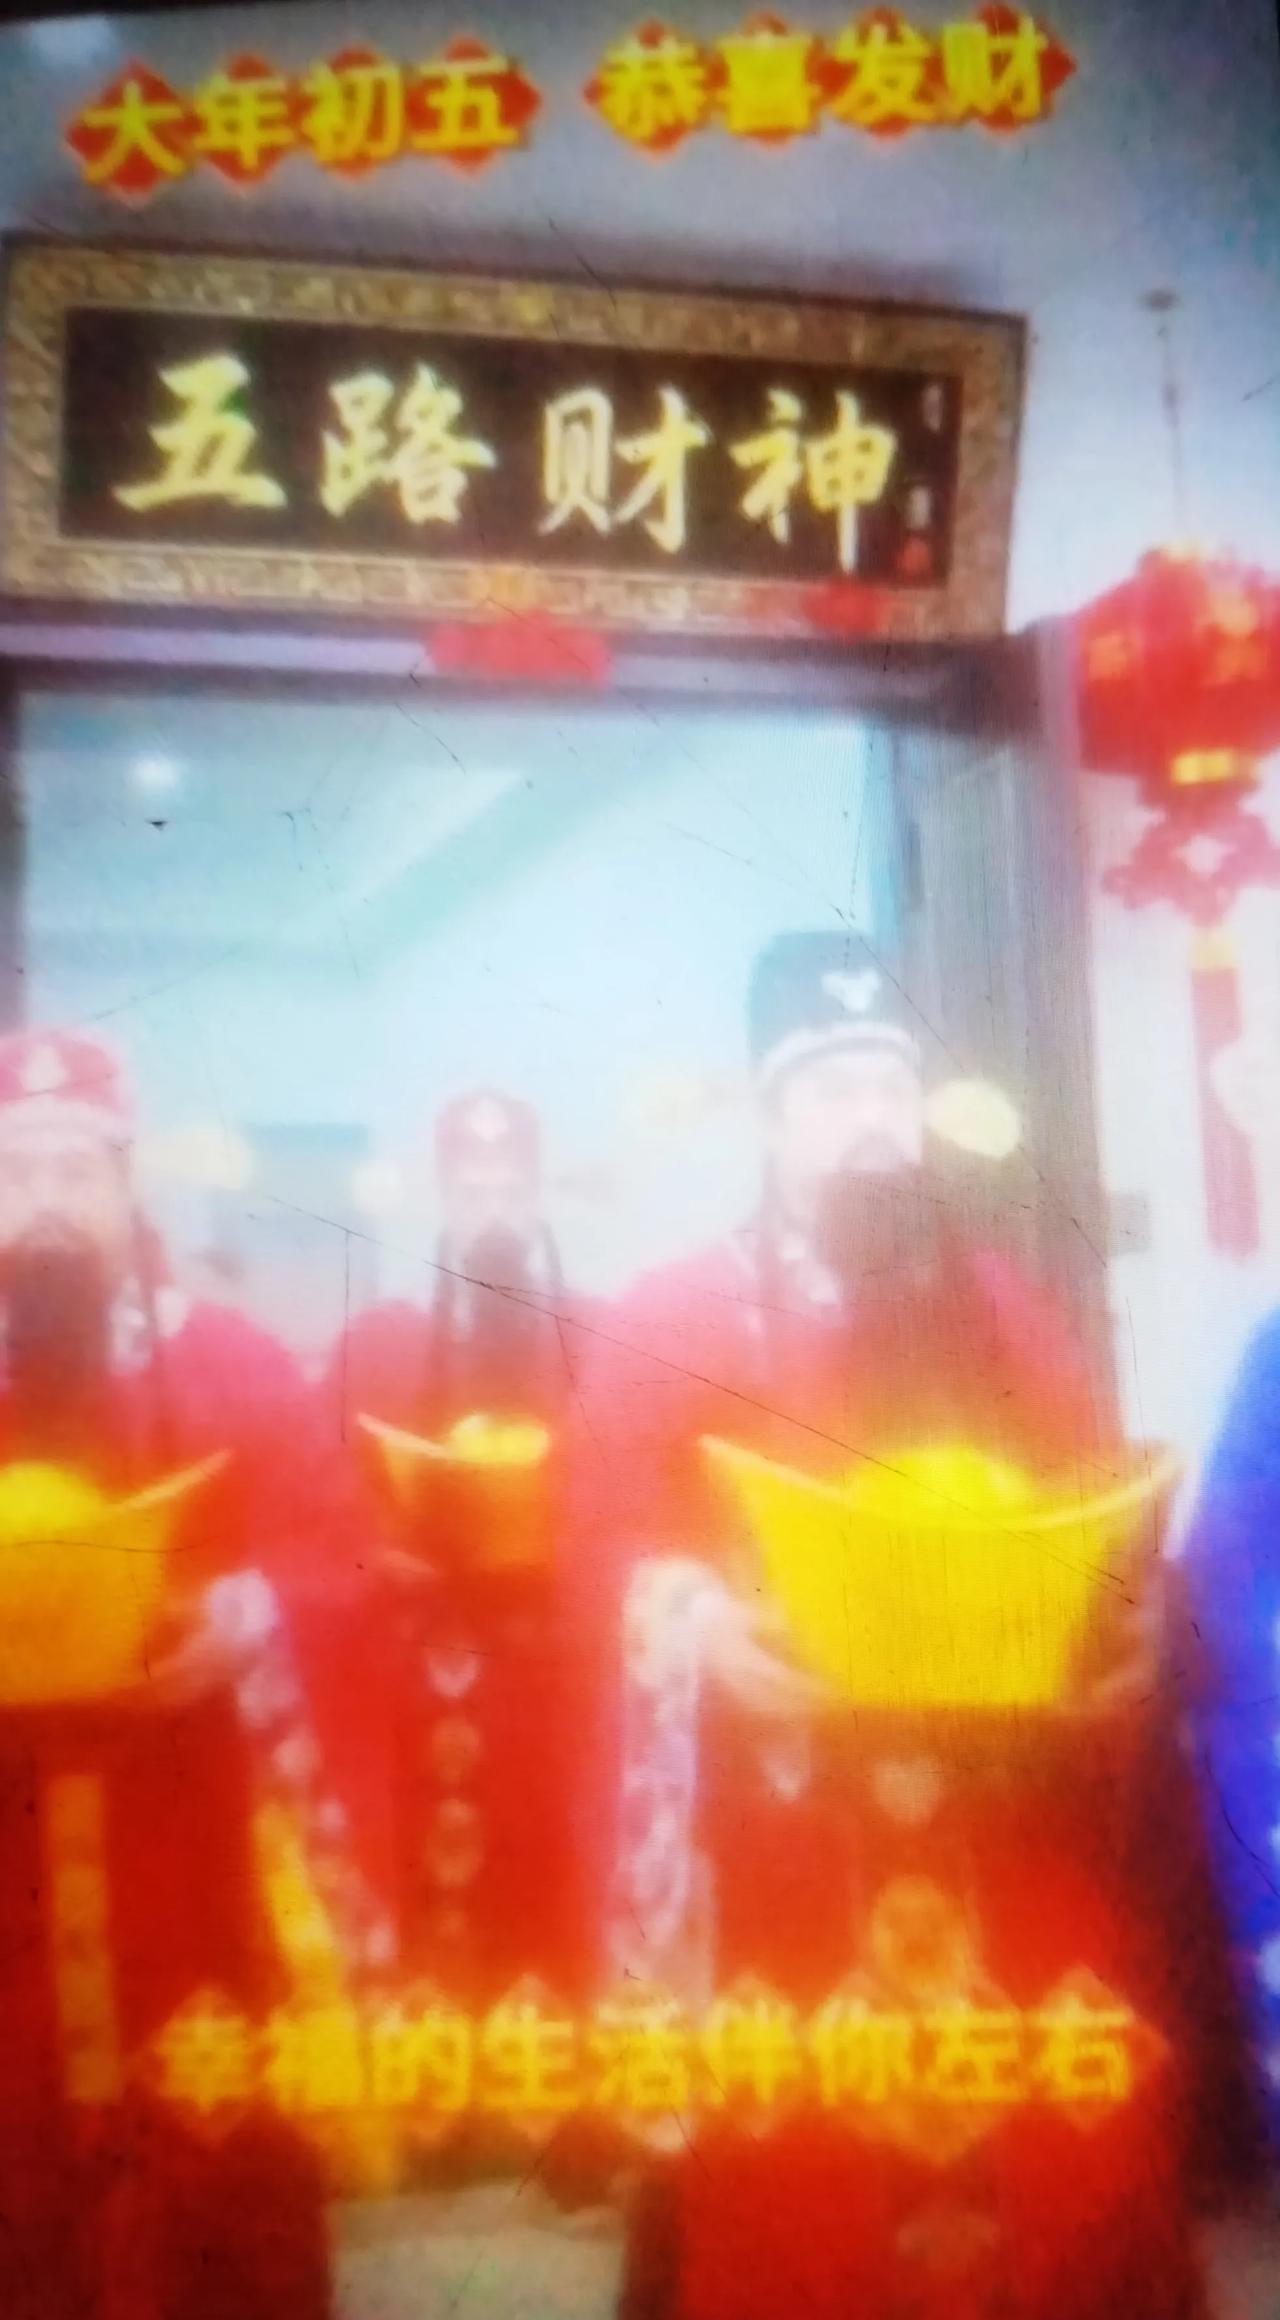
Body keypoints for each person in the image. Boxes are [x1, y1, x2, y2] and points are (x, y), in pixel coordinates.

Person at [569, 931, 1205, 2320]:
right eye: (832, 1092)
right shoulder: (672, 1314)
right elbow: (599, 1547)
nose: (871, 1125)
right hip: (786, 1828)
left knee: (1079, 2165)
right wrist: (697, 1627)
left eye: (891, 1089)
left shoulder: (1008, 1310)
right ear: (767, 1118)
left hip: (1000, 1815)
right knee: (796, 2193)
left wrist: (1123, 1626)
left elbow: (1096, 1513)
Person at [0, 1028, 394, 2320]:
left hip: (192, 1829)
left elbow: (336, 1560)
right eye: (18, 1171)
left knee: (212, 2163)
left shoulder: (232, 1361)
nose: (47, 1203)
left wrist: (238, 1618)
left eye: (77, 1171)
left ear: (129, 1188)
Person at [328, 1089, 594, 2010]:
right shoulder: (379, 1342)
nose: (494, 1211)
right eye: (472, 1191)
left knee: (555, 1881)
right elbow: (333, 1502)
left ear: (540, 1196)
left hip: (563, 1660)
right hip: (419, 1665)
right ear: (442, 1203)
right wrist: (377, 1554)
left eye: (511, 1189)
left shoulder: (596, 1334)